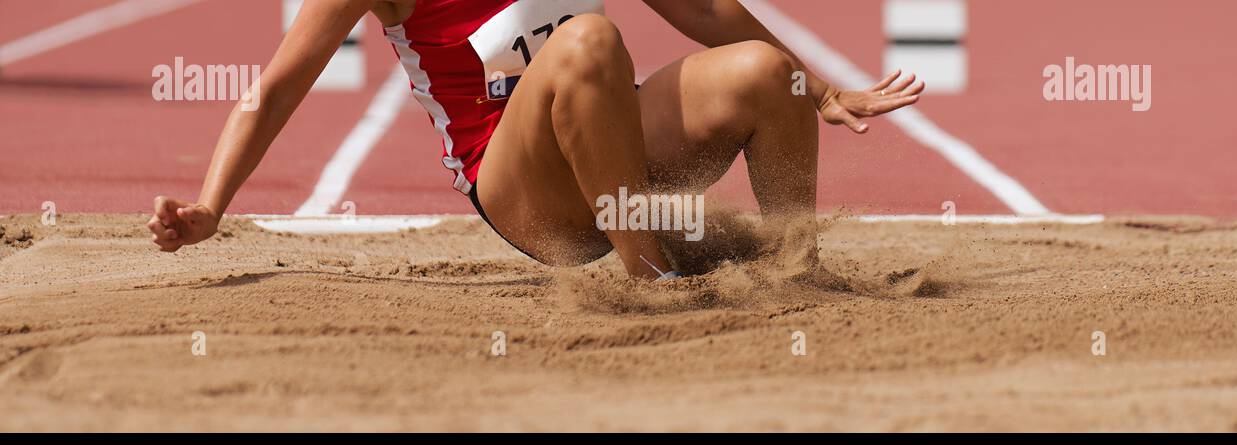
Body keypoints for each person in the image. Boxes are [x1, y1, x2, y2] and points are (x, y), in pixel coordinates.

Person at [148, 0, 924, 280]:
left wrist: (820, 91)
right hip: (522, 188)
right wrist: (214, 204)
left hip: (613, 140)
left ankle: (796, 265)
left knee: (765, 70)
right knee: (588, 42)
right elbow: (277, 85)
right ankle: (653, 279)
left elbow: (709, 11)